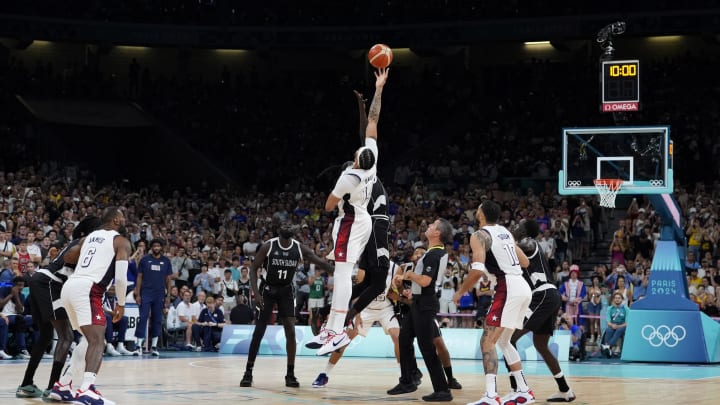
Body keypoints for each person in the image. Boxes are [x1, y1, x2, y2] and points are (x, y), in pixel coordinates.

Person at [309, 68, 388, 356]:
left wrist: (338, 192)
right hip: (361, 219)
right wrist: (378, 89)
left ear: (356, 160)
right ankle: (331, 329)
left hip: (351, 220)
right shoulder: (372, 162)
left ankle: (337, 331)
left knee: (342, 276)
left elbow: (329, 206)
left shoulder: (349, 177)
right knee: (341, 271)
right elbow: (373, 121)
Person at [453, 201, 533, 405]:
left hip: (507, 287)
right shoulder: (505, 232)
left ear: (481, 214)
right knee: (504, 342)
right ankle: (523, 391)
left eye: (477, 208)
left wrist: (461, 292)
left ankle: (491, 395)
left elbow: (477, 270)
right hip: (522, 286)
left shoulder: (479, 235)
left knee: (487, 341)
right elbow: (525, 262)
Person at [15, 216, 101, 400]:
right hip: (50, 283)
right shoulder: (85, 243)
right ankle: (54, 388)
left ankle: (26, 385)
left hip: (41, 280)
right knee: (66, 336)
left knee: (46, 336)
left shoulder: (78, 242)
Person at [240, 222, 333, 388]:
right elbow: (253, 269)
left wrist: (342, 272)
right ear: (278, 230)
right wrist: (256, 293)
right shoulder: (268, 246)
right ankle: (248, 371)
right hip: (267, 290)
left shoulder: (299, 248)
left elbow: (322, 263)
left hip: (286, 291)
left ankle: (290, 374)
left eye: (290, 225)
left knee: (290, 330)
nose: (287, 226)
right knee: (259, 330)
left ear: (294, 231)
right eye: (284, 225)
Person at [56, 207, 132, 405]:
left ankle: (64, 385)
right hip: (88, 289)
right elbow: (121, 278)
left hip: (70, 287)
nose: (124, 221)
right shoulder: (121, 241)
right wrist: (121, 304)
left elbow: (68, 257)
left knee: (88, 341)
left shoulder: (88, 237)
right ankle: (87, 390)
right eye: (122, 218)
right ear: (116, 220)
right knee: (98, 341)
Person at [507, 219, 576, 402]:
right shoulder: (520, 247)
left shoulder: (529, 243)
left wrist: (503, 238)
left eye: (518, 225)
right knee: (540, 344)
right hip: (548, 296)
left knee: (509, 339)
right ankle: (565, 390)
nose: (515, 226)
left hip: (543, 294)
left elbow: (514, 247)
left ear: (526, 230)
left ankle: (518, 389)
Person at [387, 218, 454, 402]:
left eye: (432, 225)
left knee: (427, 347)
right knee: (404, 339)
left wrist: (408, 275)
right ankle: (407, 381)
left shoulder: (434, 254)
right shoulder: (433, 253)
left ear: (437, 233)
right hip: (419, 301)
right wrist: (412, 291)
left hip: (425, 304)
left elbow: (425, 281)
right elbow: (423, 283)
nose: (429, 226)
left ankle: (443, 390)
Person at [311, 259, 402, 388]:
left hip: (385, 309)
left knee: (398, 338)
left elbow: (396, 292)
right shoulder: (366, 266)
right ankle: (324, 374)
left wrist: (398, 291)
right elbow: (359, 292)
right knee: (344, 340)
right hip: (365, 308)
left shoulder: (396, 268)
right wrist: (357, 313)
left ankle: (403, 376)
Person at [344, 87, 391, 327]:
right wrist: (379, 88)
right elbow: (372, 124)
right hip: (375, 225)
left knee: (370, 281)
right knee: (379, 282)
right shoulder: (358, 178)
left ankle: (342, 311)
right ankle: (348, 317)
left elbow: (369, 124)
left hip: (368, 227)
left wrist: (364, 106)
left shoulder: (359, 172)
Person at [133, 238, 173, 357]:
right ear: (151, 247)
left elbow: (168, 279)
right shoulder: (145, 260)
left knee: (157, 319)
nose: (156, 248)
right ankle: (138, 346)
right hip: (146, 292)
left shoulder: (166, 261)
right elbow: (139, 277)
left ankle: (154, 347)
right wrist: (138, 293)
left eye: (158, 246)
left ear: (161, 247)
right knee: (143, 317)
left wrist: (168, 295)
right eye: (154, 246)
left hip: (160, 293)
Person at [103, 285, 133, 356]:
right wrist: (112, 313)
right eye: (109, 290)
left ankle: (120, 345)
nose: (111, 292)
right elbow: (104, 308)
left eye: (113, 290)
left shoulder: (117, 299)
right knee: (108, 318)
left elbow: (121, 309)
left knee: (124, 319)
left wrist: (118, 314)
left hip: (114, 318)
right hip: (105, 319)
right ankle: (109, 345)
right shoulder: (103, 297)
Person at [601, 291, 628, 358]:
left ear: (622, 299)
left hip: (622, 326)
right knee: (608, 330)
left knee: (619, 330)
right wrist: (612, 325)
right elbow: (608, 321)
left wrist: (618, 326)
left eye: (619, 298)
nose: (617, 299)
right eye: (616, 298)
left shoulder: (626, 309)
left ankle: (608, 346)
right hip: (612, 325)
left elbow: (627, 323)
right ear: (613, 299)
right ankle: (608, 350)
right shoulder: (609, 308)